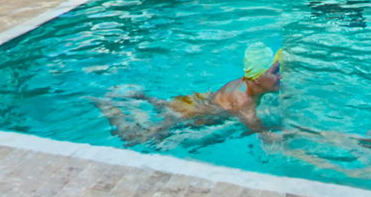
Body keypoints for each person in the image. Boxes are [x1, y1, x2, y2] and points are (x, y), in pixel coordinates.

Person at [97, 43, 284, 144]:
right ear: (258, 78)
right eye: (275, 72)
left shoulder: (244, 82)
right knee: (137, 139)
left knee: (166, 105)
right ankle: (111, 110)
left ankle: (141, 96)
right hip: (187, 113)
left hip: (191, 101)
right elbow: (259, 132)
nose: (280, 76)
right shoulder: (244, 102)